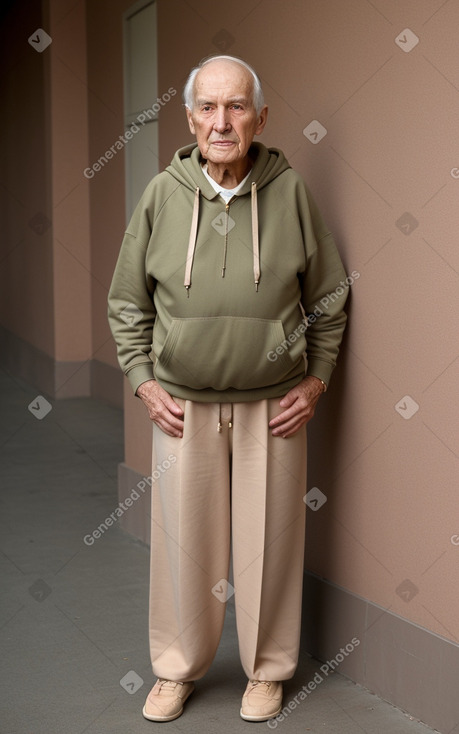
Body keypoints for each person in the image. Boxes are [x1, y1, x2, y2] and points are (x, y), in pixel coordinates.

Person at [108, 53, 348, 723]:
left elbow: (328, 296)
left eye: (236, 106)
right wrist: (141, 379)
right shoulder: (161, 194)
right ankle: (176, 668)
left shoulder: (290, 191)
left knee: (269, 543)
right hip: (183, 405)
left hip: (271, 406)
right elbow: (128, 302)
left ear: (259, 118)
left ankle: (267, 670)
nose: (222, 121)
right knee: (184, 546)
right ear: (189, 119)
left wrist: (317, 379)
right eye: (208, 108)